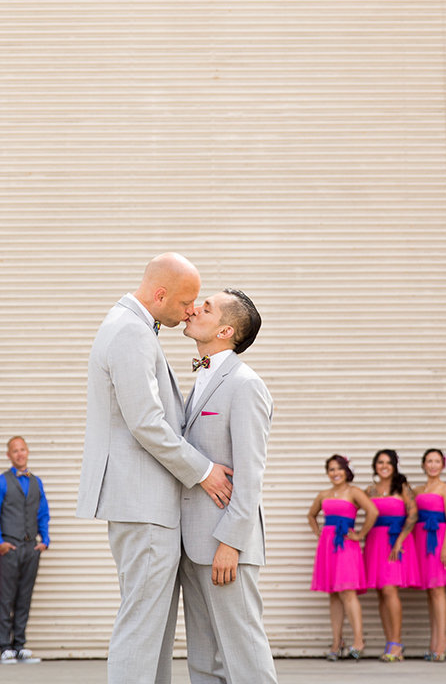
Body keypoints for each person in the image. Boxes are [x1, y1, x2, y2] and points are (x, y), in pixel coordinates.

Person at [74, 253, 232, 684]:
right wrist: (202, 470)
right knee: (143, 625)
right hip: (142, 501)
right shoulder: (130, 332)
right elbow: (146, 422)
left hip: (145, 501)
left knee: (153, 627)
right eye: (186, 302)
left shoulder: (132, 327)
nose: (190, 312)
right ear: (160, 293)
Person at [175, 289, 278, 684]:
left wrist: (231, 543)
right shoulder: (203, 377)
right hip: (193, 544)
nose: (194, 308)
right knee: (204, 659)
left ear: (225, 330)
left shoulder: (245, 384)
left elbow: (251, 473)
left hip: (225, 546)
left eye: (207, 307)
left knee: (244, 652)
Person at [0, 436, 50, 665]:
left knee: (25, 596)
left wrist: (45, 540)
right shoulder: (0, 482)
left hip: (31, 546)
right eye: (15, 451)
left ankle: (19, 645)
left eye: (23, 449)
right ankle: (5, 647)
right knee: (8, 597)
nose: (20, 454)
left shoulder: (36, 482)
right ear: (9, 455)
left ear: (27, 452)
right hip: (9, 546)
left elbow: (42, 512)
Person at [307, 454, 376, 660]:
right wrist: (319, 532)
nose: (335, 473)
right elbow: (311, 515)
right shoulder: (324, 494)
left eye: (339, 469)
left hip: (346, 545)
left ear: (346, 471)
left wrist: (361, 534)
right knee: (334, 594)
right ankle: (337, 642)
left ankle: (358, 640)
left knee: (347, 592)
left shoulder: (354, 492)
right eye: (331, 469)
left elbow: (372, 511)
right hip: (328, 546)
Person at [364, 448, 419, 662]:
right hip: (374, 543)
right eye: (380, 462)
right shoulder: (370, 490)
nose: (384, 466)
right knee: (380, 592)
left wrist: (400, 541)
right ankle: (390, 643)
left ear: (394, 465)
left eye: (388, 462)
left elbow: (413, 515)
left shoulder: (403, 488)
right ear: (375, 466)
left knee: (389, 590)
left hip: (395, 543)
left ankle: (397, 643)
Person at [410, 448, 446, 662]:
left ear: (443, 465)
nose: (432, 465)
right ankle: (433, 641)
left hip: (439, 541)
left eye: (436, 461)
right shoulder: (417, 490)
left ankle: (442, 642)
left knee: (438, 592)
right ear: (423, 465)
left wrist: (445, 547)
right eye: (429, 461)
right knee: (430, 593)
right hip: (421, 541)